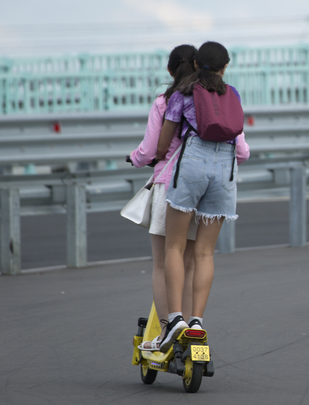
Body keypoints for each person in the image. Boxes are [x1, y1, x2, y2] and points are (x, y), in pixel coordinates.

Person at [155, 41, 250, 351]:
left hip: (192, 163)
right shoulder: (231, 93)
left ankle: (175, 321)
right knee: (205, 252)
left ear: (196, 64)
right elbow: (239, 141)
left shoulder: (183, 93)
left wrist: (157, 156)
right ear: (225, 67)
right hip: (226, 167)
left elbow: (163, 143)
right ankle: (197, 321)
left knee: (174, 245)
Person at [129, 44, 199, 351]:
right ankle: (191, 324)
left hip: (168, 184)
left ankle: (169, 329)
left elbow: (150, 150)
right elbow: (243, 149)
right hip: (201, 188)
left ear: (170, 71)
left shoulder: (165, 101)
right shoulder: (211, 99)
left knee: (162, 263)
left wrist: (133, 158)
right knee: (190, 262)